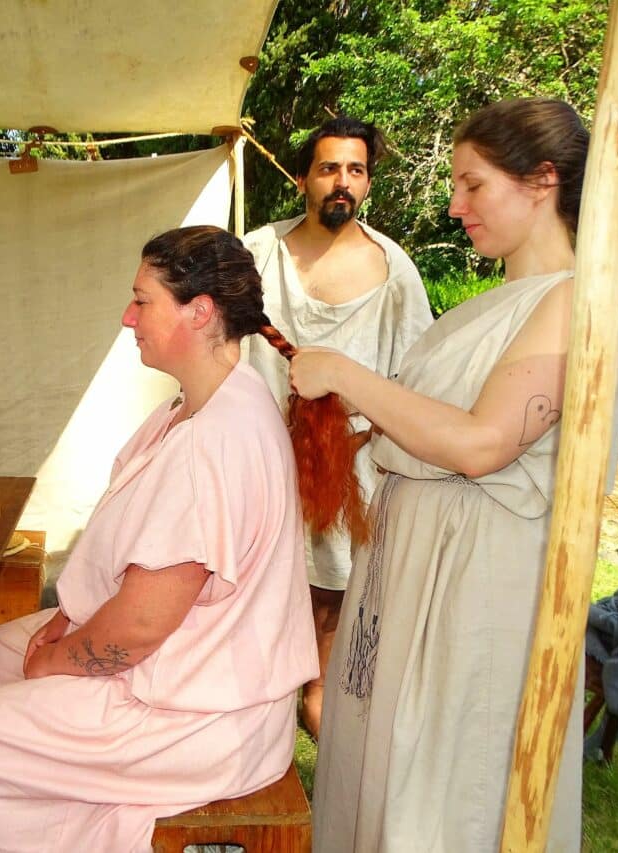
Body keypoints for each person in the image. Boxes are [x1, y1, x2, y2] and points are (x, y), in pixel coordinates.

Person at [292, 98, 618, 851]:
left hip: (475, 590)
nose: (455, 205)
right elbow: (430, 426)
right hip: (411, 578)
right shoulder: (487, 308)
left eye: (472, 184)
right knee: (386, 779)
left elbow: (483, 444)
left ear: (542, 180)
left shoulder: (578, 304)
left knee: (448, 795)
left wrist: (346, 376)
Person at [0, 226, 319, 853]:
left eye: (142, 300)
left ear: (200, 311)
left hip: (201, 720)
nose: (127, 316)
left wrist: (58, 659)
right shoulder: (195, 408)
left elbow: (139, 627)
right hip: (186, 674)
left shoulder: (216, 442)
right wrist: (69, 624)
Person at [244, 115, 433, 739]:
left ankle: (320, 705)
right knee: (257, 598)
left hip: (350, 475)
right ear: (303, 178)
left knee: (332, 605)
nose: (341, 182)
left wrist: (363, 437)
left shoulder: (394, 270)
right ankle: (256, 715)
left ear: (369, 183)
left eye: (355, 170)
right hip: (261, 465)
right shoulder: (256, 255)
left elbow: (417, 381)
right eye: (328, 168)